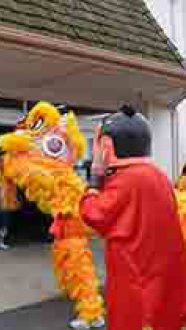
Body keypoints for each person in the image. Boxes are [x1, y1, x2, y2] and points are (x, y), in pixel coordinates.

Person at [80, 105, 186, 330]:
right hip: (162, 278)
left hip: (134, 278)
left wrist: (94, 182)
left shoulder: (125, 180)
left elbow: (93, 215)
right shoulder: (159, 176)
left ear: (108, 146)